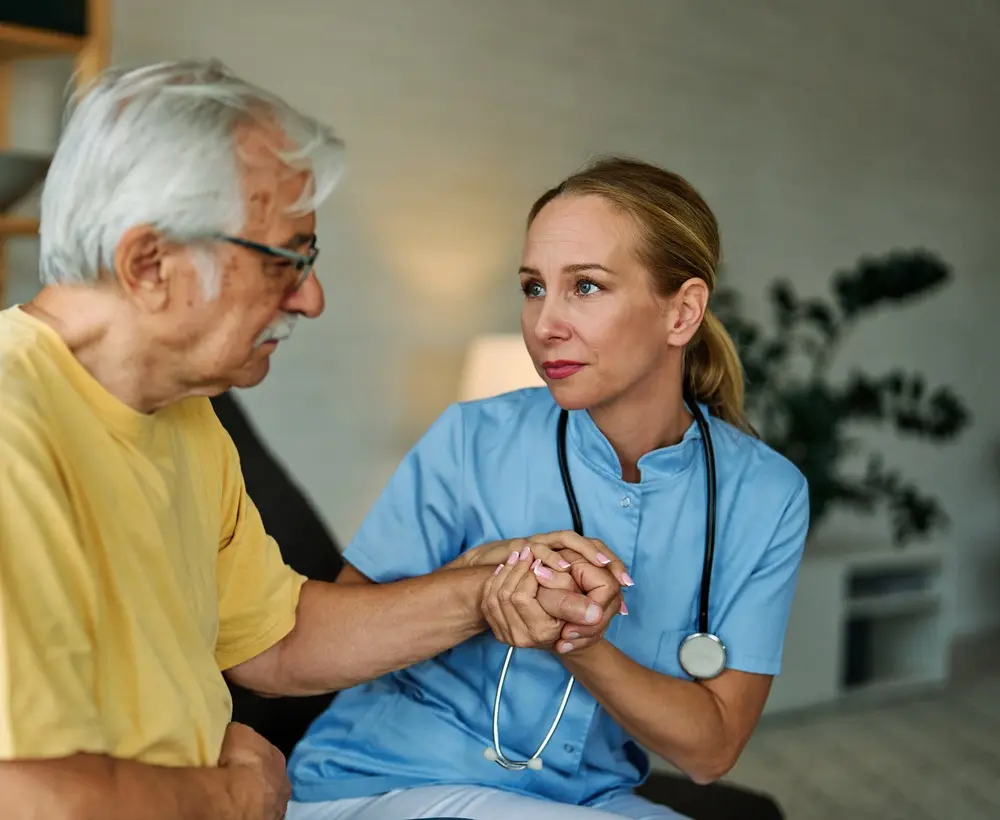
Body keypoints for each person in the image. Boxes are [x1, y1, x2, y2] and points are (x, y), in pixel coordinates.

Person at [0, 59, 617, 820]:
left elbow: (280, 640)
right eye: (286, 260)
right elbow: (26, 798)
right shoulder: (12, 429)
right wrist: (229, 795)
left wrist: (484, 590)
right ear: (149, 264)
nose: (311, 297)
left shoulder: (187, 417)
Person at [284, 156, 812, 820]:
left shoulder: (765, 495)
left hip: (584, 801)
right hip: (384, 780)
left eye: (585, 287)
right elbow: (336, 645)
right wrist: (477, 582)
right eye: (534, 287)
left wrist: (582, 640)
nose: (545, 324)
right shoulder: (472, 438)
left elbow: (710, 750)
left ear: (682, 313)